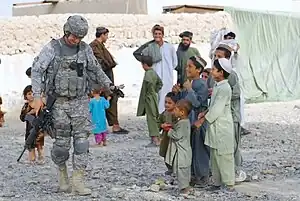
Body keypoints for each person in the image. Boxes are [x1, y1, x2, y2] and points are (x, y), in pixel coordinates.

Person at [31, 15, 114, 195]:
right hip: (59, 103)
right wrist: (37, 96)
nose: (76, 40)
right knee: (61, 144)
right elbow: (37, 70)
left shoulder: (84, 49)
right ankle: (62, 176)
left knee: (82, 142)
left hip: (80, 102)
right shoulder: (52, 48)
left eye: (79, 37)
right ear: (66, 31)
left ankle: (78, 180)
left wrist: (109, 85)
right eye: (73, 36)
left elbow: (95, 70)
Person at [195, 58, 235, 192]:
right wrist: (205, 112)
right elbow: (213, 105)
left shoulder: (225, 88)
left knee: (224, 155)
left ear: (221, 72)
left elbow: (217, 109)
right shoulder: (218, 86)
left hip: (222, 126)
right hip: (215, 126)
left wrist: (202, 120)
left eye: (214, 69)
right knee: (215, 155)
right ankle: (217, 182)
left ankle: (229, 183)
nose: (211, 71)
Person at [175, 56, 210, 187]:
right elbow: (184, 103)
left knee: (199, 149)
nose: (187, 68)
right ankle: (192, 175)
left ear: (199, 69)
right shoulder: (189, 82)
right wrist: (178, 93)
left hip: (198, 121)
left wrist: (189, 90)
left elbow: (197, 103)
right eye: (187, 66)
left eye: (190, 66)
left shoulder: (201, 84)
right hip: (188, 122)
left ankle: (203, 176)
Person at [214, 44, 247, 183]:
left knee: (233, 144)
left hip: (232, 115)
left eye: (219, 57)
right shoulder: (216, 74)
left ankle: (237, 170)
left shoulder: (231, 75)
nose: (216, 58)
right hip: (222, 116)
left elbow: (236, 93)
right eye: (215, 56)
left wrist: (222, 92)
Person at [90, 27, 129, 134]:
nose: (107, 37)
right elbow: (99, 64)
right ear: (102, 35)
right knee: (104, 101)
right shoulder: (94, 47)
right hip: (100, 80)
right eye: (106, 35)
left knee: (110, 99)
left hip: (106, 77)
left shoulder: (100, 46)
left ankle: (113, 125)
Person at [134, 25, 177, 113]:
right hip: (155, 75)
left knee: (166, 97)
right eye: (155, 34)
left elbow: (174, 62)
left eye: (159, 34)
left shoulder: (169, 47)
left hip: (167, 77)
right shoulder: (150, 47)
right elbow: (137, 53)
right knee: (155, 97)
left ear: (163, 35)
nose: (157, 35)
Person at [165, 99, 193, 196]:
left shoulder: (182, 123)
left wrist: (168, 130)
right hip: (185, 151)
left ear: (182, 112)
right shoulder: (184, 121)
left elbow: (177, 135)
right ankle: (187, 187)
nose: (174, 111)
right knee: (185, 170)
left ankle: (184, 189)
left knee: (181, 170)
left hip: (182, 152)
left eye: (176, 110)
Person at [137, 55, 163, 146]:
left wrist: (147, 94)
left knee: (151, 117)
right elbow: (160, 83)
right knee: (155, 115)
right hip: (153, 96)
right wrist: (154, 91)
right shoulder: (154, 72)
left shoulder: (148, 74)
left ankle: (155, 139)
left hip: (148, 97)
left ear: (144, 64)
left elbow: (147, 86)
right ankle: (156, 137)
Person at [20, 85, 45, 164]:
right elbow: (22, 118)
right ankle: (32, 159)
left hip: (39, 130)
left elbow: (44, 116)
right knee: (30, 146)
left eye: (33, 93)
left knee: (39, 146)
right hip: (29, 130)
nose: (31, 96)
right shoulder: (26, 106)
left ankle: (41, 159)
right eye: (29, 94)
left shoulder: (39, 105)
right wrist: (29, 113)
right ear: (26, 96)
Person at [158, 92, 178, 175]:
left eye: (169, 103)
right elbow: (158, 122)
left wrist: (171, 126)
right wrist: (162, 125)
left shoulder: (176, 114)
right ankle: (169, 168)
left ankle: (175, 168)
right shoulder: (164, 113)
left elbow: (178, 124)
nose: (167, 105)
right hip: (165, 137)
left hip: (173, 137)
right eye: (165, 102)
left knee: (173, 153)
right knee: (165, 152)